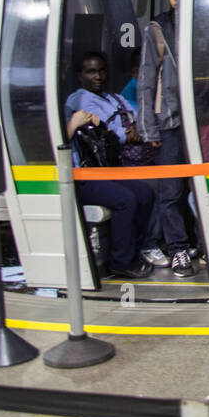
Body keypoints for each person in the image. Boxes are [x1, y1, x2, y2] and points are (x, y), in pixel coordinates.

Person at [64, 51, 162, 278]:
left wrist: (135, 127)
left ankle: (133, 251)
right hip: (82, 175)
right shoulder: (78, 101)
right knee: (125, 199)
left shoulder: (111, 98)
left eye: (101, 70)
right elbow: (119, 134)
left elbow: (137, 119)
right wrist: (76, 122)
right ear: (80, 76)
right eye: (90, 71)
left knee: (144, 194)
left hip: (104, 170)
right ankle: (121, 262)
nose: (97, 76)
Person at [137, 0, 196, 277]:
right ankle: (178, 250)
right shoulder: (158, 28)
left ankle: (197, 243)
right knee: (171, 190)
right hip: (171, 123)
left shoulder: (203, 22)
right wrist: (148, 128)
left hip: (201, 122)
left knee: (201, 187)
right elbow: (146, 80)